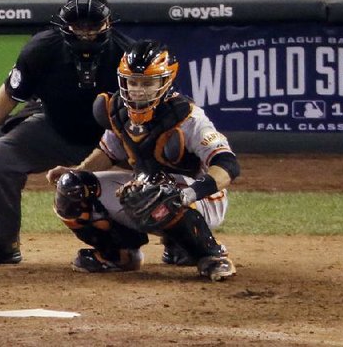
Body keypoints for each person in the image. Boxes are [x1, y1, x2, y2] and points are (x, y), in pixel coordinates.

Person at [0, 0, 132, 267]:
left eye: (93, 25)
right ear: (65, 25)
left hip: (112, 138)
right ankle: (2, 243)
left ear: (108, 23)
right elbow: (10, 94)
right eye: (78, 25)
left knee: (160, 162)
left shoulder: (127, 55)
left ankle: (180, 241)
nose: (86, 32)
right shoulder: (42, 48)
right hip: (54, 127)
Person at [46, 39, 240, 281]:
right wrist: (77, 170)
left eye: (147, 83)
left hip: (201, 199)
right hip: (147, 189)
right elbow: (108, 153)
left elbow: (227, 165)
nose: (138, 90)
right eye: (133, 82)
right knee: (72, 186)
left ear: (166, 81)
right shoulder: (118, 110)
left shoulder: (188, 117)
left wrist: (189, 194)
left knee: (152, 189)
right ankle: (119, 254)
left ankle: (210, 255)